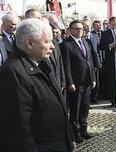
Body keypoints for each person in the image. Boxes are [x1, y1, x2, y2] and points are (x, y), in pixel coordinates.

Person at [0, 19, 75, 152]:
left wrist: (69, 139)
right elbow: (19, 129)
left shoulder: (43, 64)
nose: (52, 46)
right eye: (47, 42)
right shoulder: (12, 73)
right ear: (29, 43)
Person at [60, 20, 97, 143]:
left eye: (81, 29)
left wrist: (93, 79)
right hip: (75, 84)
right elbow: (66, 66)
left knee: (85, 108)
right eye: (76, 29)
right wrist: (69, 82)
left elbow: (90, 62)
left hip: (87, 82)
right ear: (70, 30)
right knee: (75, 110)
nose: (79, 31)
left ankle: (83, 130)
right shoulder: (66, 44)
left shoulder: (86, 42)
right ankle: (75, 134)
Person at [98, 16, 116, 107]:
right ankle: (114, 101)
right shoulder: (105, 33)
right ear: (109, 24)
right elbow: (100, 46)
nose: (115, 25)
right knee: (112, 82)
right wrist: (109, 46)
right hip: (111, 61)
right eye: (113, 24)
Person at [90, 20, 103, 103]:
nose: (98, 26)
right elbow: (95, 50)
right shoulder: (93, 35)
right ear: (93, 26)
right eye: (96, 25)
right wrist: (98, 62)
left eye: (99, 25)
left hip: (105, 59)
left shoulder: (103, 33)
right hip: (98, 61)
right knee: (96, 80)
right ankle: (94, 97)